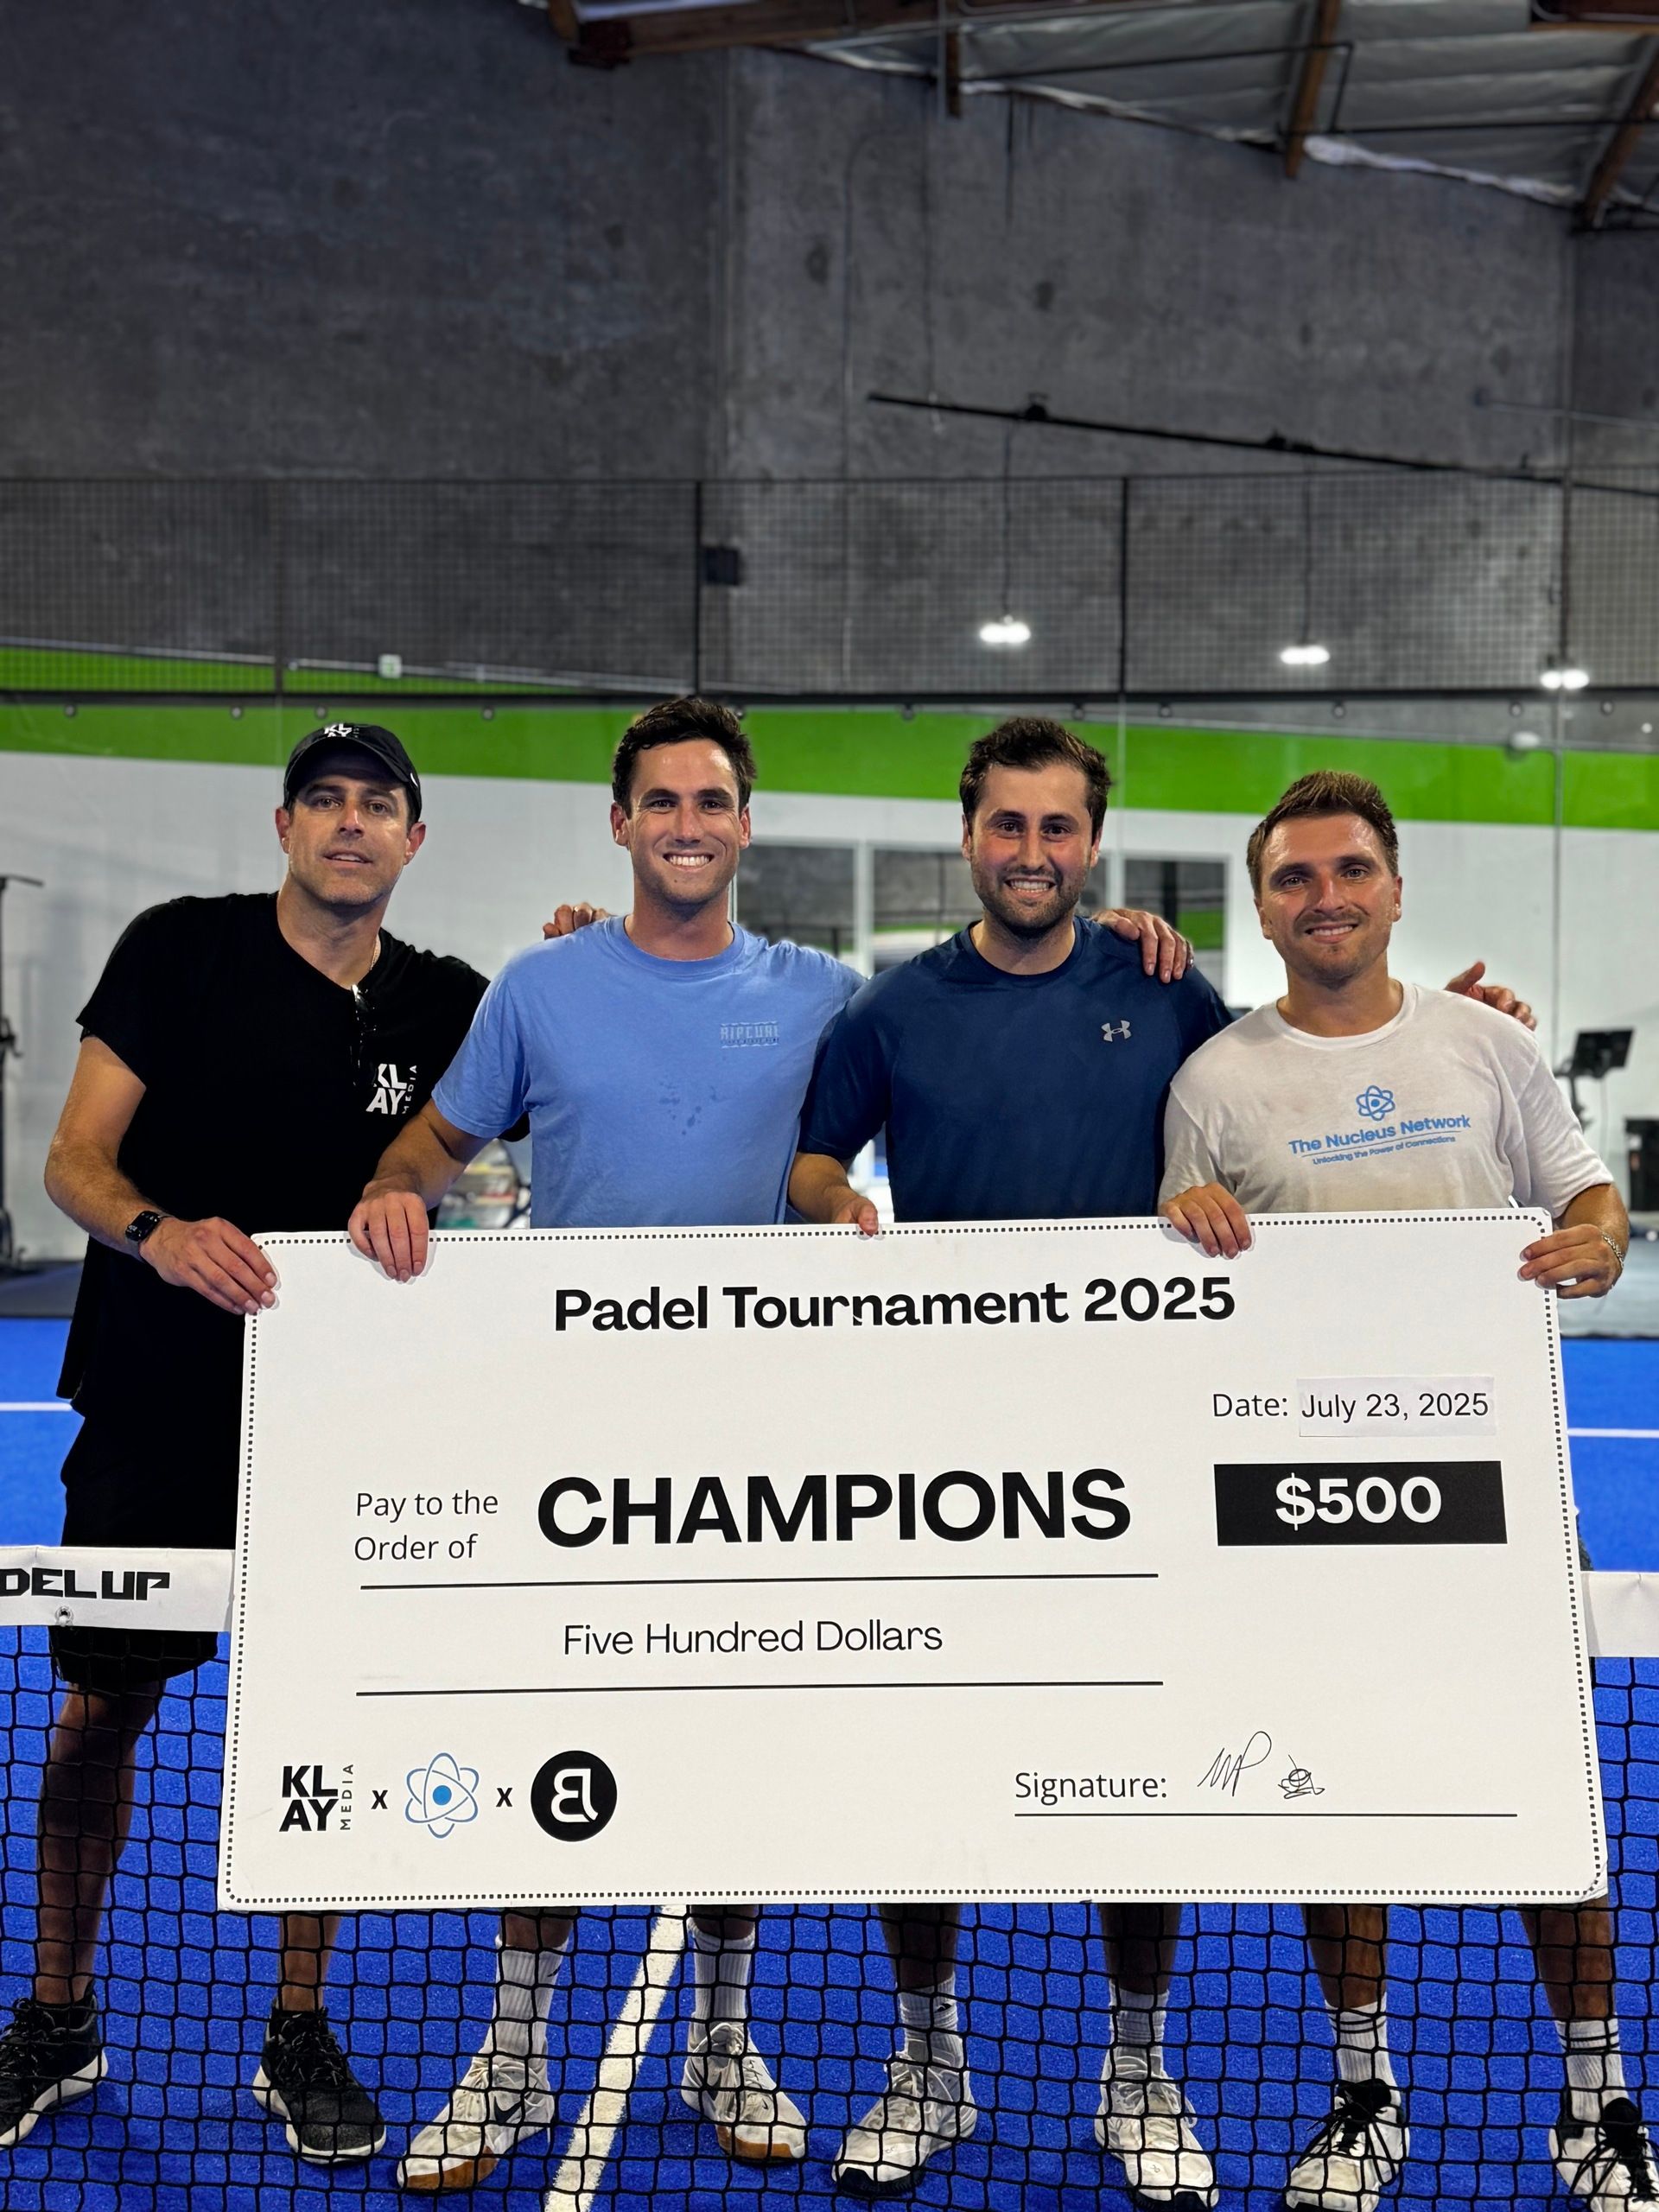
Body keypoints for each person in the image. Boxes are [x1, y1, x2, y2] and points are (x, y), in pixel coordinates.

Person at [350, 696, 1192, 2195]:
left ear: (746, 824)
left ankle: (723, 2036)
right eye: (663, 801)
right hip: (580, 1441)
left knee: (734, 1749)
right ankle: (513, 2051)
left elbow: (993, 1003)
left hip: (768, 1440)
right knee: (554, 1742)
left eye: (714, 802)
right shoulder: (540, 985)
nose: (689, 825)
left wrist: (1122, 929)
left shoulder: (828, 995)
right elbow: (432, 1145)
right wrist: (391, 1190)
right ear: (623, 822)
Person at [788, 721, 1537, 2204]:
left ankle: (1137, 2068)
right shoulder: (891, 1008)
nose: (1033, 853)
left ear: (1092, 844)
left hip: (1139, 1447)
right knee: (924, 1760)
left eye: (1060, 828)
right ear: (969, 837)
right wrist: (836, 1207)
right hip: (948, 1446)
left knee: (1135, 1764)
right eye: (1009, 826)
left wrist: (1454, 1030)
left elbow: (1300, 1059)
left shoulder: (1162, 985)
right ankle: (928, 2061)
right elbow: (817, 1157)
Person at [1158, 770, 1656, 2212]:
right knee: (1336, 1796)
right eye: (1295, 878)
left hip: (1493, 1496)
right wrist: (1181, 1216)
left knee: (1548, 1796)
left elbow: (1587, 1193)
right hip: (1300, 1506)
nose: (1326, 897)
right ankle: (1362, 2089)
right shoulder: (1213, 1083)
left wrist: (1605, 1237)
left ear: (1394, 887)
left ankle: (1597, 2099)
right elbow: (1175, 1271)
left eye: (1350, 871)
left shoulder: (1488, 1047)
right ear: (1263, 909)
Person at [0, 724, 497, 2168]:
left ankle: (299, 2026)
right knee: (97, 1716)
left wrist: (586, 949)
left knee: (318, 1724)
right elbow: (75, 1161)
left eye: (377, 806)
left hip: (337, 1422)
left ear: (413, 839)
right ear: (285, 826)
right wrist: (160, 1233)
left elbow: (557, 1076)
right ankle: (56, 2012)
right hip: (155, 1400)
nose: (349, 824)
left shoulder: (451, 1001)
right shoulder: (178, 951)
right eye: (323, 802)